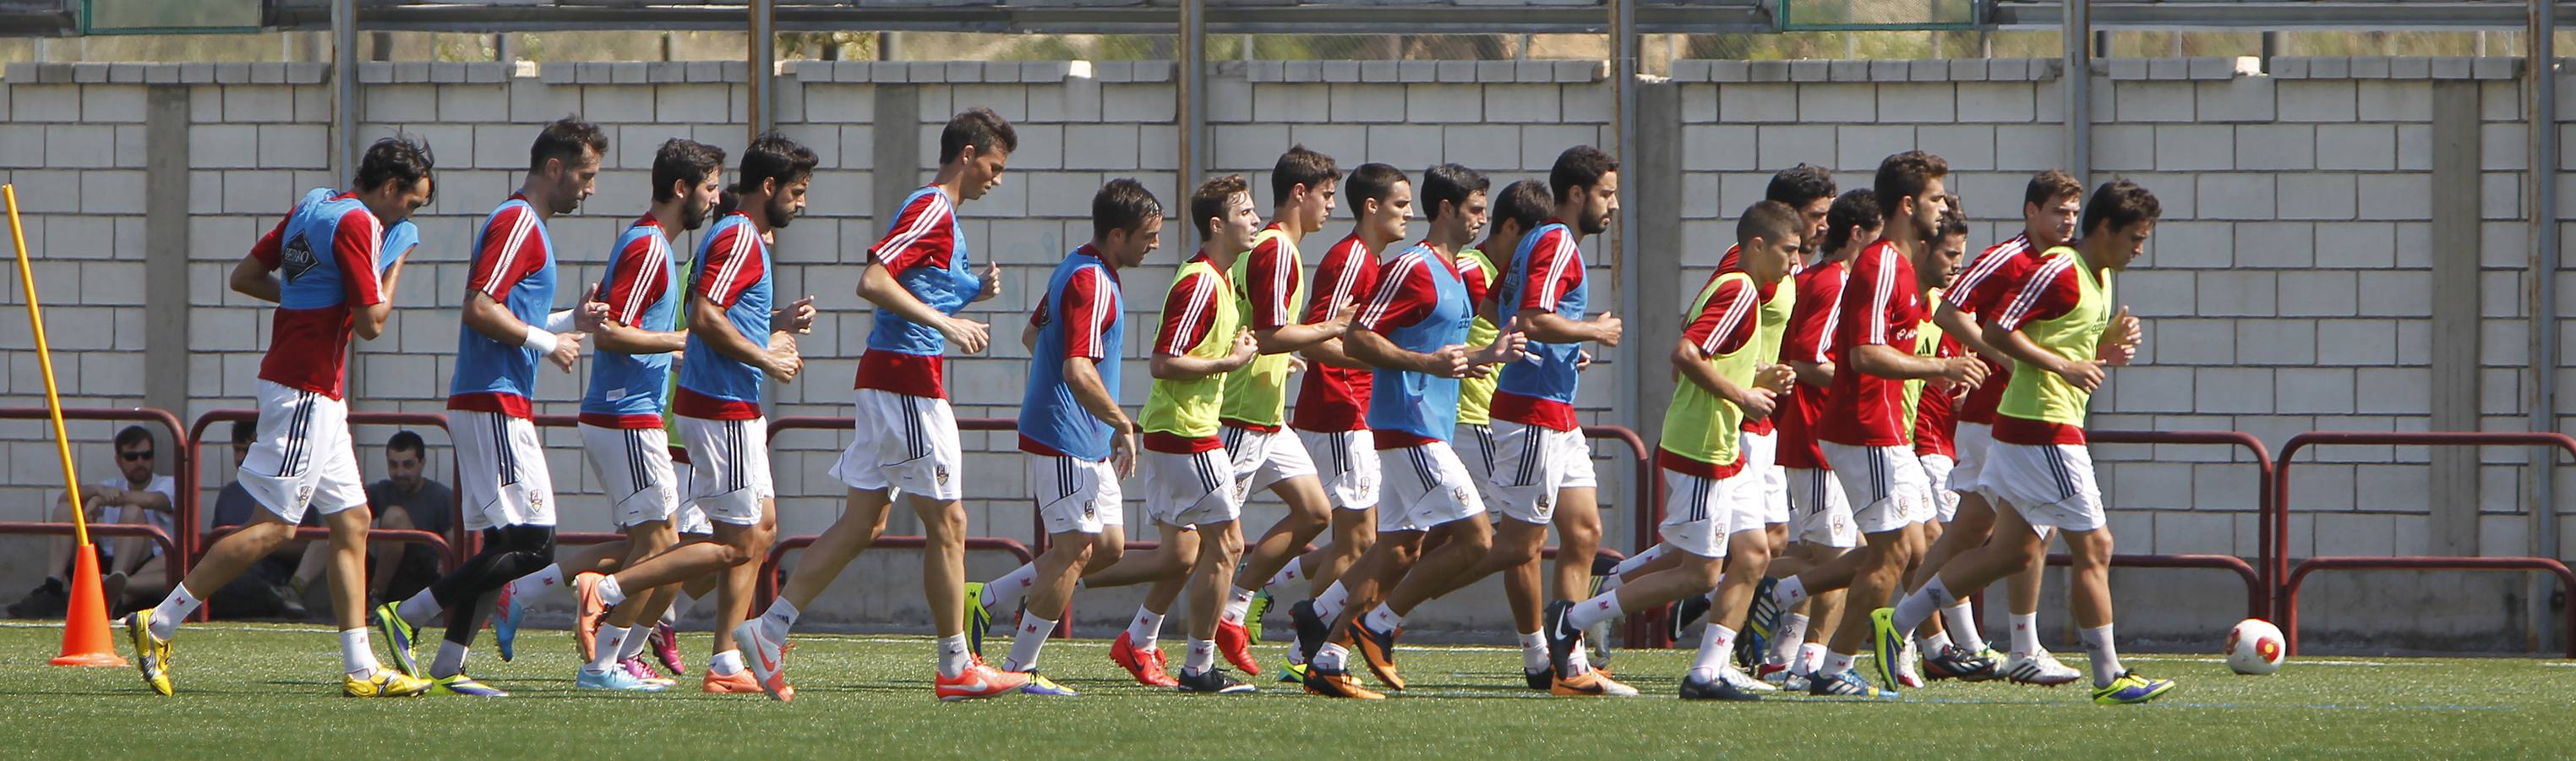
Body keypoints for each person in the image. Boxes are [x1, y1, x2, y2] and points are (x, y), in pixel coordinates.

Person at [124, 134, 438, 698]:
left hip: (312, 390)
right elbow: (372, 322)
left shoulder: (314, 203)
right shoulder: (362, 225)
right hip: (306, 389)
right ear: (389, 189)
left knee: (352, 522)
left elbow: (245, 276)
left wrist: (307, 304)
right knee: (274, 527)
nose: (406, 215)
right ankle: (161, 620)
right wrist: (398, 258)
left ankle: (361, 667)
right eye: (409, 205)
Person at [1878, 179, 2169, 705]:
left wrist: (2106, 349)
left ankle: (1899, 623)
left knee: (2011, 551)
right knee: (2094, 544)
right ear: (2106, 229)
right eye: (2135, 238)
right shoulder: (2057, 268)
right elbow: (1996, 328)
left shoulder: (2097, 275)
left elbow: (2061, 341)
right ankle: (2108, 674)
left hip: (2033, 424)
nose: (2140, 249)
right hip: (2040, 428)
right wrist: (2062, 365)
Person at [570, 131, 816, 699]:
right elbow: (704, 315)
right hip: (714, 406)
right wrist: (765, 354)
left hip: (733, 405)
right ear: (771, 186)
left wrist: (775, 327)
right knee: (728, 543)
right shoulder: (734, 236)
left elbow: (714, 313)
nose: (802, 205)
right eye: (797, 192)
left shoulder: (743, 236)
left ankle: (725, 657)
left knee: (762, 528)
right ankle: (606, 595)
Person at [372, 118, 608, 698]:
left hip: (498, 398)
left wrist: (565, 324)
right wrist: (548, 342)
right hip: (492, 400)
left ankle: (450, 661)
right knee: (534, 545)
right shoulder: (517, 221)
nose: (590, 188)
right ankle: (409, 612)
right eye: (585, 174)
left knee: (508, 546)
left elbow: (507, 316)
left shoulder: (529, 227)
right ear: (554, 169)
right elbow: (478, 307)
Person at [1554, 200, 1804, 702]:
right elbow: (1684, 355)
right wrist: (1745, 396)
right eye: (1789, 250)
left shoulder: (1747, 288)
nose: (1796, 262)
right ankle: (1572, 618)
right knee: (1698, 570)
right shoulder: (1738, 288)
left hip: (1725, 442)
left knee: (1754, 555)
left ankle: (1709, 670)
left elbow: (1710, 361)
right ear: (1759, 246)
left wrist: (1755, 380)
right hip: (1701, 446)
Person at [1296, 164, 1526, 698]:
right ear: (1445, 209)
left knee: (1400, 549)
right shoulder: (1412, 266)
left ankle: (1327, 653)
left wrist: (1487, 354)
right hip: (1406, 426)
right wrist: (1425, 365)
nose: (1481, 222)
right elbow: (1357, 339)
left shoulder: (1458, 273)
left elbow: (1442, 354)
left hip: (1430, 427)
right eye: (1474, 211)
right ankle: (1377, 625)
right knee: (1477, 537)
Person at [1798, 150, 1989, 698]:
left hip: (1885, 431)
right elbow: (1863, 355)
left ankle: (1929, 649)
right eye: (1933, 198)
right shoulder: (1882, 263)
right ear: (1908, 204)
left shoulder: (1902, 266)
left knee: (1918, 546)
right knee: (1890, 556)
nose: (1941, 205)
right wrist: (1941, 366)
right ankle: (1835, 671)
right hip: (1864, 427)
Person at [1917, 169, 2090, 686]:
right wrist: (2005, 360)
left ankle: (1911, 630)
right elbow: (1949, 312)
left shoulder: (2070, 265)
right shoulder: (2005, 257)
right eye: (2058, 211)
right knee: (2023, 531)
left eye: (2073, 213)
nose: (2067, 222)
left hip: (2030, 416)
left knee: (1987, 531)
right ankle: (2013, 645)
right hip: (1993, 418)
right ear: (2031, 211)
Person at [1469, 146, 1631, 697]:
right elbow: (1534, 317)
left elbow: (1498, 310)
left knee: (1584, 533)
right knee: (1517, 545)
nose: (1613, 204)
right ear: (1578, 194)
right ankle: (1382, 611)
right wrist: (1591, 332)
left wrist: (1561, 349)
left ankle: (1568, 660)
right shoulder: (1558, 240)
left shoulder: (1541, 240)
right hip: (1531, 411)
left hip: (1554, 409)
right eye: (1606, 193)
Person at [1203, 146, 1356, 683]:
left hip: (1268, 414)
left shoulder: (1274, 248)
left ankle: (1234, 612)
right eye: (1327, 195)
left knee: (1316, 513)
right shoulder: (1276, 249)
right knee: (1213, 543)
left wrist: (1292, 349)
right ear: (1300, 193)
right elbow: (1267, 333)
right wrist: (1329, 329)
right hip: (1243, 414)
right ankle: (1168, 642)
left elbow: (1258, 327)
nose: (1331, 207)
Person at [8, 425, 178, 617]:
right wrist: (97, 491)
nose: (140, 462)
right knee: (66, 510)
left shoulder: (167, 483)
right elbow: (65, 497)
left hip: (144, 565)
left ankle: (114, 589)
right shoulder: (111, 486)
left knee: (133, 512)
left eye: (146, 455)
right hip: (103, 562)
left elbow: (152, 500)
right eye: (132, 457)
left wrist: (99, 500)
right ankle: (53, 587)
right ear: (119, 460)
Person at [200, 420, 311, 620]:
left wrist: (257, 540)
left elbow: (307, 545)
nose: (241, 458)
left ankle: (278, 598)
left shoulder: (289, 492)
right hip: (229, 576)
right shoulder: (228, 493)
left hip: (269, 577)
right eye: (237, 450)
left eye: (248, 450)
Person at [357, 430, 453, 608]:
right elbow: (347, 514)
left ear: (422, 463)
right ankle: (295, 588)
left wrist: (447, 562)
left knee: (394, 517)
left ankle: (374, 597)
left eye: (407, 465)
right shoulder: (382, 491)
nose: (400, 473)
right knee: (339, 523)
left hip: (422, 580)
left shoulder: (441, 497)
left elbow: (459, 545)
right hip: (386, 574)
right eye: (393, 465)